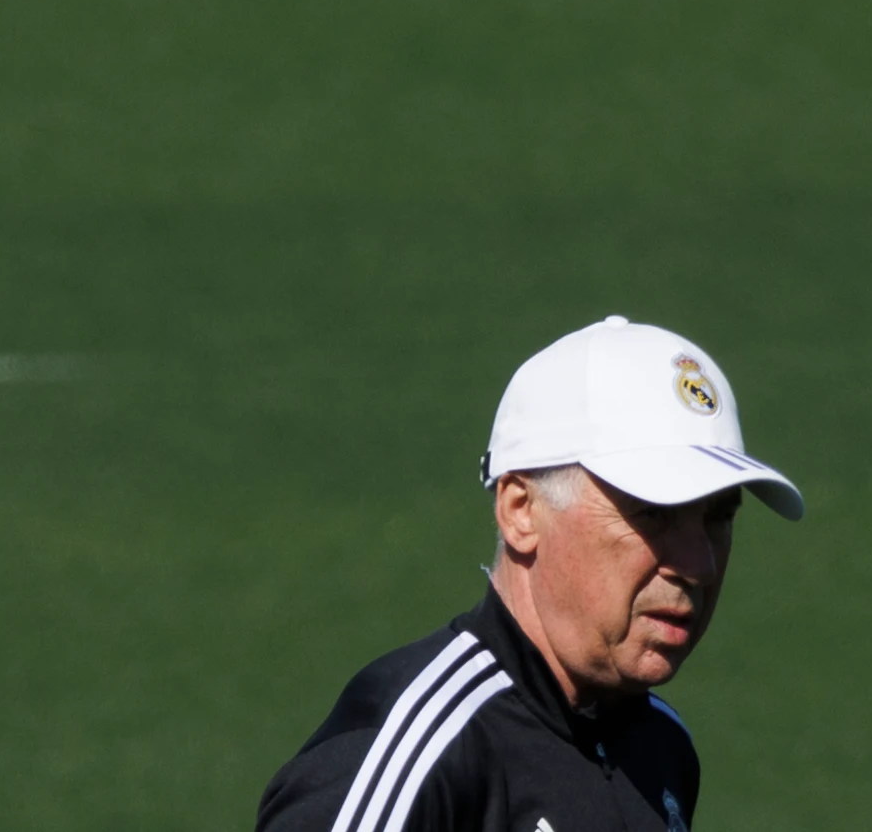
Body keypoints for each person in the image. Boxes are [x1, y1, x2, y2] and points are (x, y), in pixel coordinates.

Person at [256, 316, 803, 832]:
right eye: (653, 513)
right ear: (521, 510)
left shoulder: (663, 746)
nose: (699, 566)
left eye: (718, 517)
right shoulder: (414, 751)